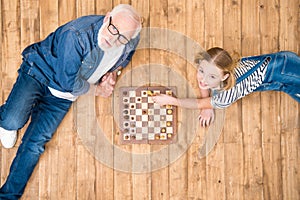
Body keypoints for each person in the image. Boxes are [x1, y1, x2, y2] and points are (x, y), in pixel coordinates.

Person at [0, 4, 142, 199]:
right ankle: (8, 118)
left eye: (122, 37)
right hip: (40, 73)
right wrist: (99, 90)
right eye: (113, 29)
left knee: (35, 145)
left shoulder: (130, 38)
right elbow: (69, 83)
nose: (114, 38)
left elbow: (125, 58)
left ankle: (7, 197)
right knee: (12, 121)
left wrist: (112, 73)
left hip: (62, 98)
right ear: (107, 17)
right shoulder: (76, 35)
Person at [152, 47, 300, 127]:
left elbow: (199, 103)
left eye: (211, 77)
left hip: (286, 75)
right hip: (284, 60)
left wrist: (172, 101)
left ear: (224, 77)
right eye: (201, 70)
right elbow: (203, 85)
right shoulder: (222, 64)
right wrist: (207, 105)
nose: (202, 79)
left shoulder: (226, 96)